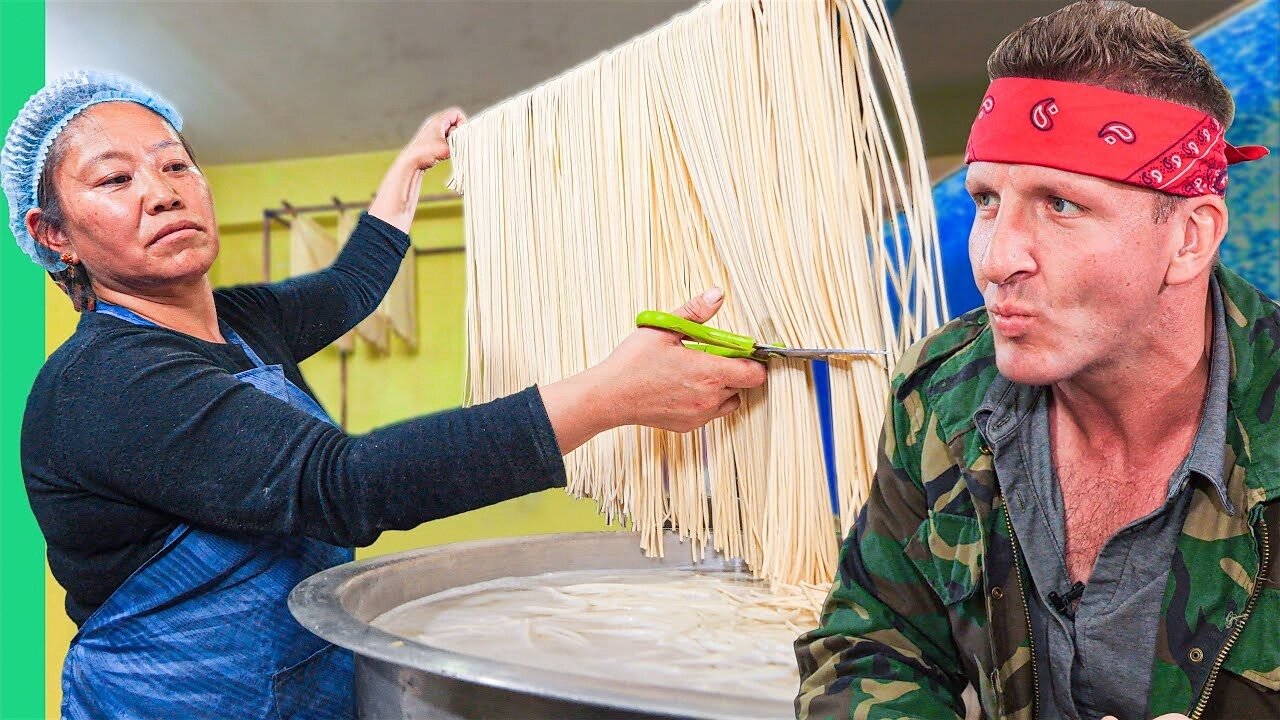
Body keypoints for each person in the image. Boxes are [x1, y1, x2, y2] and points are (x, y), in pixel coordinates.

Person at [2, 70, 767, 719]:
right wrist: (610, 396)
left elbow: (347, 289)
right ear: (55, 234)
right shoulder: (105, 383)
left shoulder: (239, 322)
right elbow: (345, 485)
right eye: (114, 179)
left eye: (174, 166)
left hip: (304, 684)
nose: (161, 192)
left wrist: (404, 178)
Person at [794, 2, 1276, 719]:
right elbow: (876, 646)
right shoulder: (947, 390)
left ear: (1189, 237)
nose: (996, 260)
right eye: (986, 200)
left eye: (1061, 205)